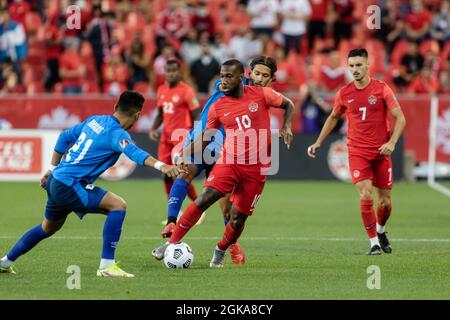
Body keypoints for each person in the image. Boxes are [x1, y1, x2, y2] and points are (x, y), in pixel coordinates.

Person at [0, 91, 183, 277]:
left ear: (115, 107)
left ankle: (5, 262)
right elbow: (134, 152)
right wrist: (163, 166)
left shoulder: (94, 120)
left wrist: (51, 169)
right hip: (71, 184)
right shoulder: (117, 133)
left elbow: (64, 137)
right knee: (118, 206)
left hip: (57, 180)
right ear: (137, 115)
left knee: (47, 227)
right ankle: (106, 266)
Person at [152, 59, 295, 268]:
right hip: (228, 161)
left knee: (236, 219)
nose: (223, 81)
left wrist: (287, 126)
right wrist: (184, 152)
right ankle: (172, 243)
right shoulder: (218, 106)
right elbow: (206, 135)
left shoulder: (262, 94)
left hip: (256, 169)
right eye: (222, 76)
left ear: (240, 77)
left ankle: (222, 248)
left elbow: (288, 104)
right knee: (202, 199)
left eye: (229, 77)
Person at [307, 48, 406, 255]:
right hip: (357, 151)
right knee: (365, 193)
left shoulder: (382, 89)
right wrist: (318, 142)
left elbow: (400, 118)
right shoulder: (344, 93)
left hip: (381, 152)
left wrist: (392, 142)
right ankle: (373, 244)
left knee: (385, 202)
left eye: (359, 65)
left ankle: (381, 230)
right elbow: (333, 118)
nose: (355, 69)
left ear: (368, 66)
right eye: (351, 65)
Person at [149, 60, 201, 211]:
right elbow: (160, 113)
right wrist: (153, 128)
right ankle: (174, 212)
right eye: (168, 70)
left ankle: (198, 204)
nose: (171, 73)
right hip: (166, 138)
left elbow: (196, 114)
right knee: (165, 172)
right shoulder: (161, 90)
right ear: (164, 72)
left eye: (174, 71)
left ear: (179, 72)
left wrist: (196, 135)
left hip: (181, 137)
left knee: (181, 172)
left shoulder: (187, 91)